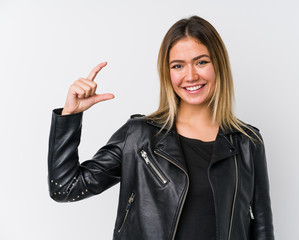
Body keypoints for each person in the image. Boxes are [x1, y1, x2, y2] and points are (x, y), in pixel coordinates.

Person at [48, 16, 275, 240]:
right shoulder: (139, 136)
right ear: (168, 73)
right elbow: (65, 188)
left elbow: (261, 228)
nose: (191, 76)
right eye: (178, 65)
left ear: (219, 65)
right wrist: (70, 116)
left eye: (201, 62)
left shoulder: (247, 142)